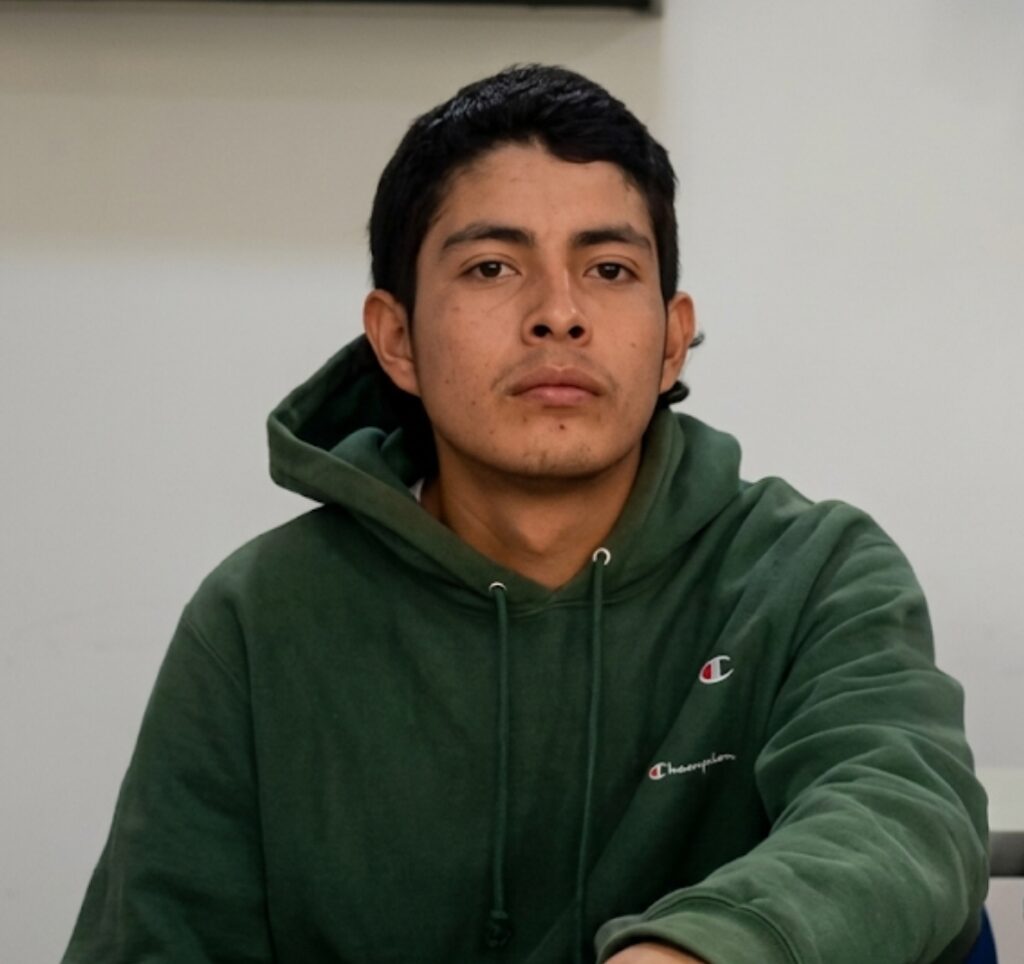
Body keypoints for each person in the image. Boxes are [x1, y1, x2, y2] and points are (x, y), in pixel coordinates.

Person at [62, 65, 988, 964]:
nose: (559, 314)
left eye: (610, 268)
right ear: (396, 338)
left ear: (672, 340)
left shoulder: (816, 573)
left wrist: (705, 950)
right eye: (494, 267)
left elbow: (901, 813)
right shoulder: (259, 618)